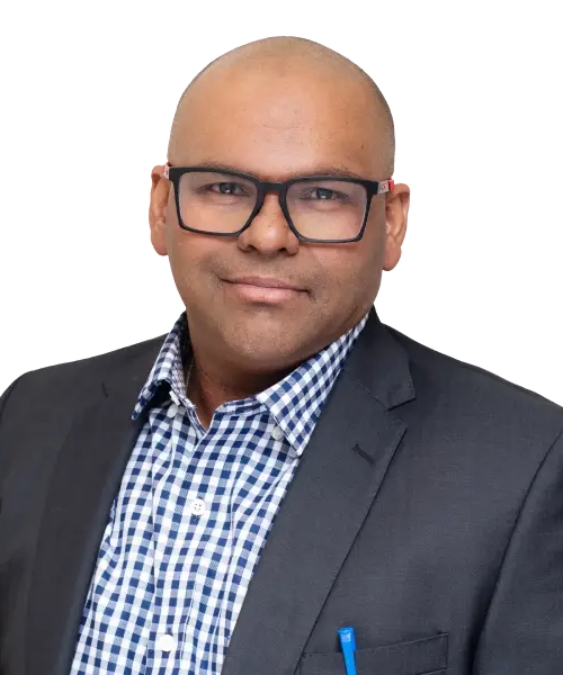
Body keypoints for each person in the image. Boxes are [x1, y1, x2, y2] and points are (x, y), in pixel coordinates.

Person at [0, 35, 561, 675]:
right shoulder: (30, 415)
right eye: (224, 187)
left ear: (391, 222)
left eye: (322, 194)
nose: (267, 236)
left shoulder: (526, 469)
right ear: (161, 207)